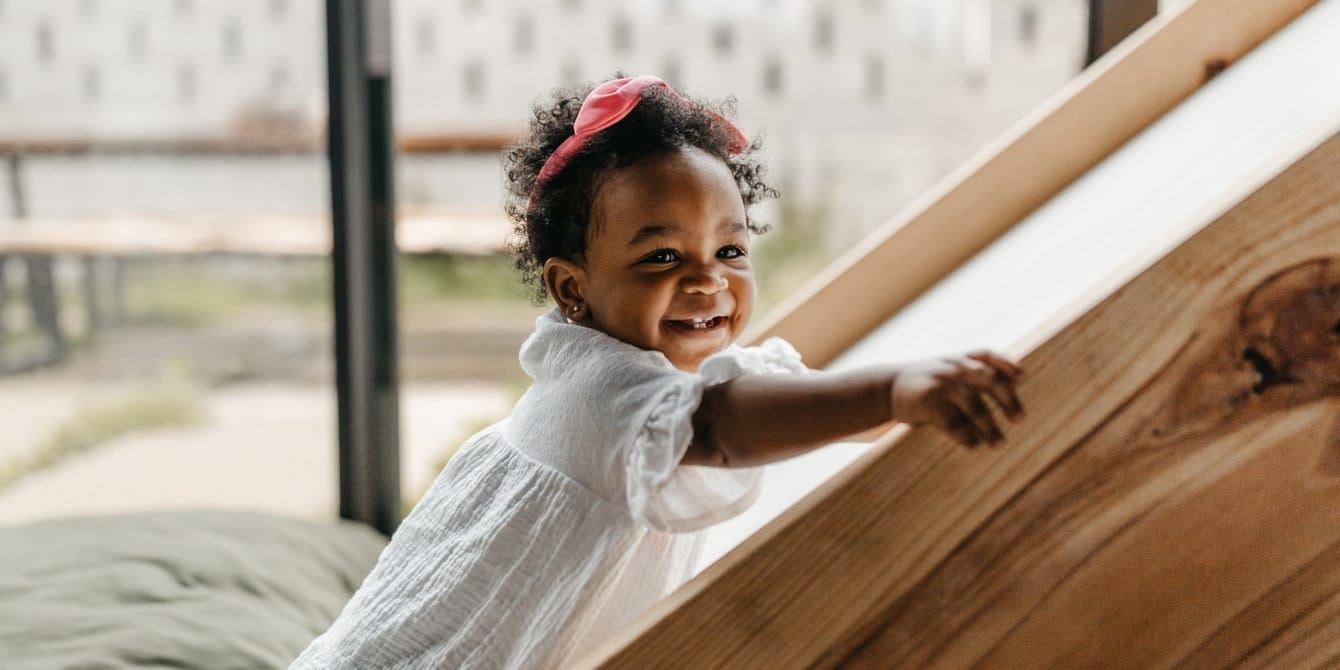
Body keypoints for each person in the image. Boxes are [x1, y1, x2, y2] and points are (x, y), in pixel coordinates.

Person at [289, 74, 1024, 669]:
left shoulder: (645, 376)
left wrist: (911, 407)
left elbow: (783, 401)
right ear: (572, 288)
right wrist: (891, 391)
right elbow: (722, 426)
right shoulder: (598, 392)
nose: (708, 281)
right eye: (662, 257)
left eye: (730, 251)